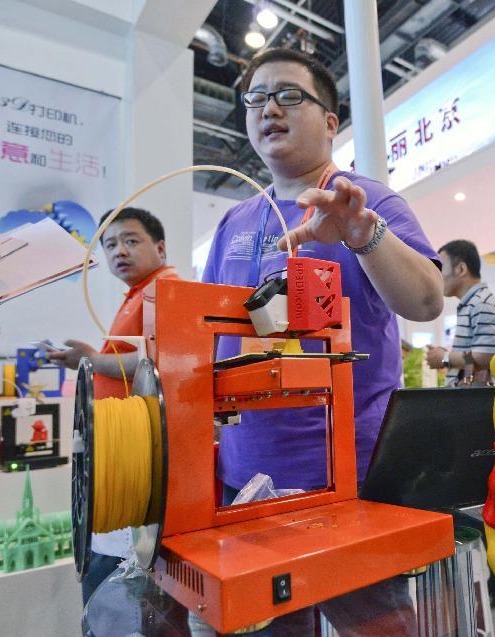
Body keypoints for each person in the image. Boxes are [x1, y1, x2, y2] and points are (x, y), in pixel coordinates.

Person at [201, 47, 443, 635]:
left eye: (288, 94)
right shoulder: (235, 223)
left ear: (331, 122)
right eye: (256, 98)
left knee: (377, 625)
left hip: (350, 479)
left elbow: (427, 300)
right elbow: (208, 338)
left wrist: (363, 236)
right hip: (248, 478)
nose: (268, 109)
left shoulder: (369, 203)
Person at [49, 206, 178, 605]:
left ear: (160, 247)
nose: (118, 250)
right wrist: (92, 356)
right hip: (114, 454)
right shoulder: (137, 295)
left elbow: (160, 361)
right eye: (109, 244)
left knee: (117, 589)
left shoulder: (166, 287)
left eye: (131, 240)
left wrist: (87, 361)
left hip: (134, 461)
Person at [427, 239, 495, 385]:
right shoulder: (475, 302)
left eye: (441, 268)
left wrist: (445, 358)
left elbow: (489, 356)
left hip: (474, 402)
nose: (437, 276)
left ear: (461, 269)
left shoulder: (482, 303)